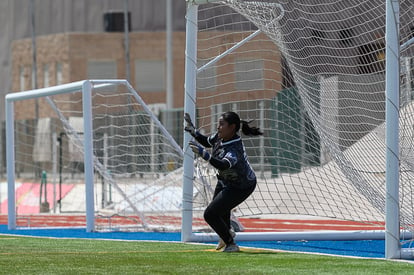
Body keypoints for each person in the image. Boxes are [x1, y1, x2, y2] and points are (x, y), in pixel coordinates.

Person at [184, 111, 263, 252]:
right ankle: (227, 234)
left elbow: (223, 165)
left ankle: (231, 243)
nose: (218, 127)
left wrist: (205, 155)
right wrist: (194, 132)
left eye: (222, 124)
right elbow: (207, 141)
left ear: (232, 127)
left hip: (241, 186)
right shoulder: (220, 137)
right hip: (225, 181)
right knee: (219, 211)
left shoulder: (234, 148)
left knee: (210, 214)